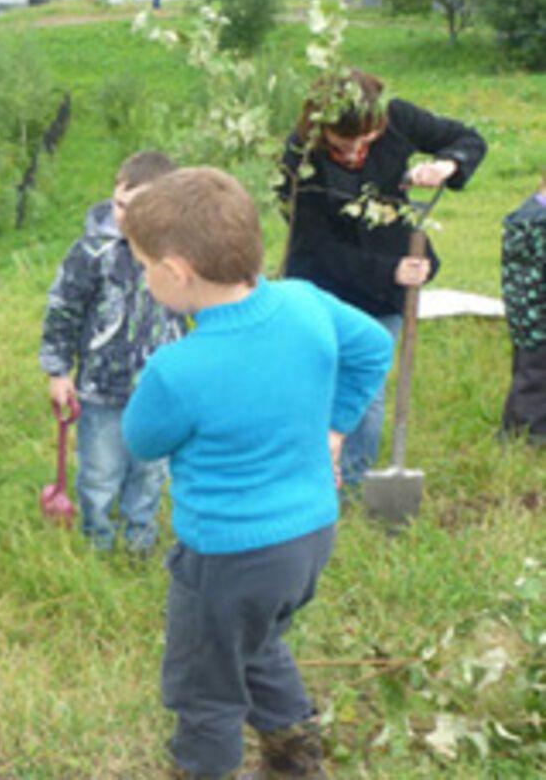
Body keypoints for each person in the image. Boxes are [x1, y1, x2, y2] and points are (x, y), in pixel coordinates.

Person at [120, 168, 394, 780]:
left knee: (205, 687)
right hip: (309, 538)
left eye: (143, 266)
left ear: (178, 271)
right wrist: (336, 427)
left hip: (227, 558)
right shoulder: (303, 301)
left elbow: (142, 439)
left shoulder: (177, 369)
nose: (143, 277)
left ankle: (203, 770)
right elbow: (374, 346)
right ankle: (296, 758)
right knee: (256, 642)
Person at [277, 69, 485, 490]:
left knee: (364, 390)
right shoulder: (299, 157)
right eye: (342, 145)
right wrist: (387, 269)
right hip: (322, 285)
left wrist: (448, 164)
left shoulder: (398, 119)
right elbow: (315, 247)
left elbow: (468, 139)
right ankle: (307, 475)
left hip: (386, 290)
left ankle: (352, 484)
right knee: (315, 381)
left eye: (366, 142)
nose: (356, 153)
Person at [39, 150, 185, 556]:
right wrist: (58, 371)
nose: (124, 217)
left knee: (150, 472)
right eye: (120, 204)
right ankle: (98, 542)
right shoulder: (91, 254)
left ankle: (139, 542)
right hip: (101, 388)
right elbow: (63, 310)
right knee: (100, 473)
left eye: (138, 210)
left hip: (160, 389)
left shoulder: (179, 254)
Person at [501, 169, 546, 446]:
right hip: (538, 313)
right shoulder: (540, 224)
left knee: (528, 372)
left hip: (525, 312)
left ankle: (519, 434)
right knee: (535, 381)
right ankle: (528, 440)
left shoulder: (526, 215)